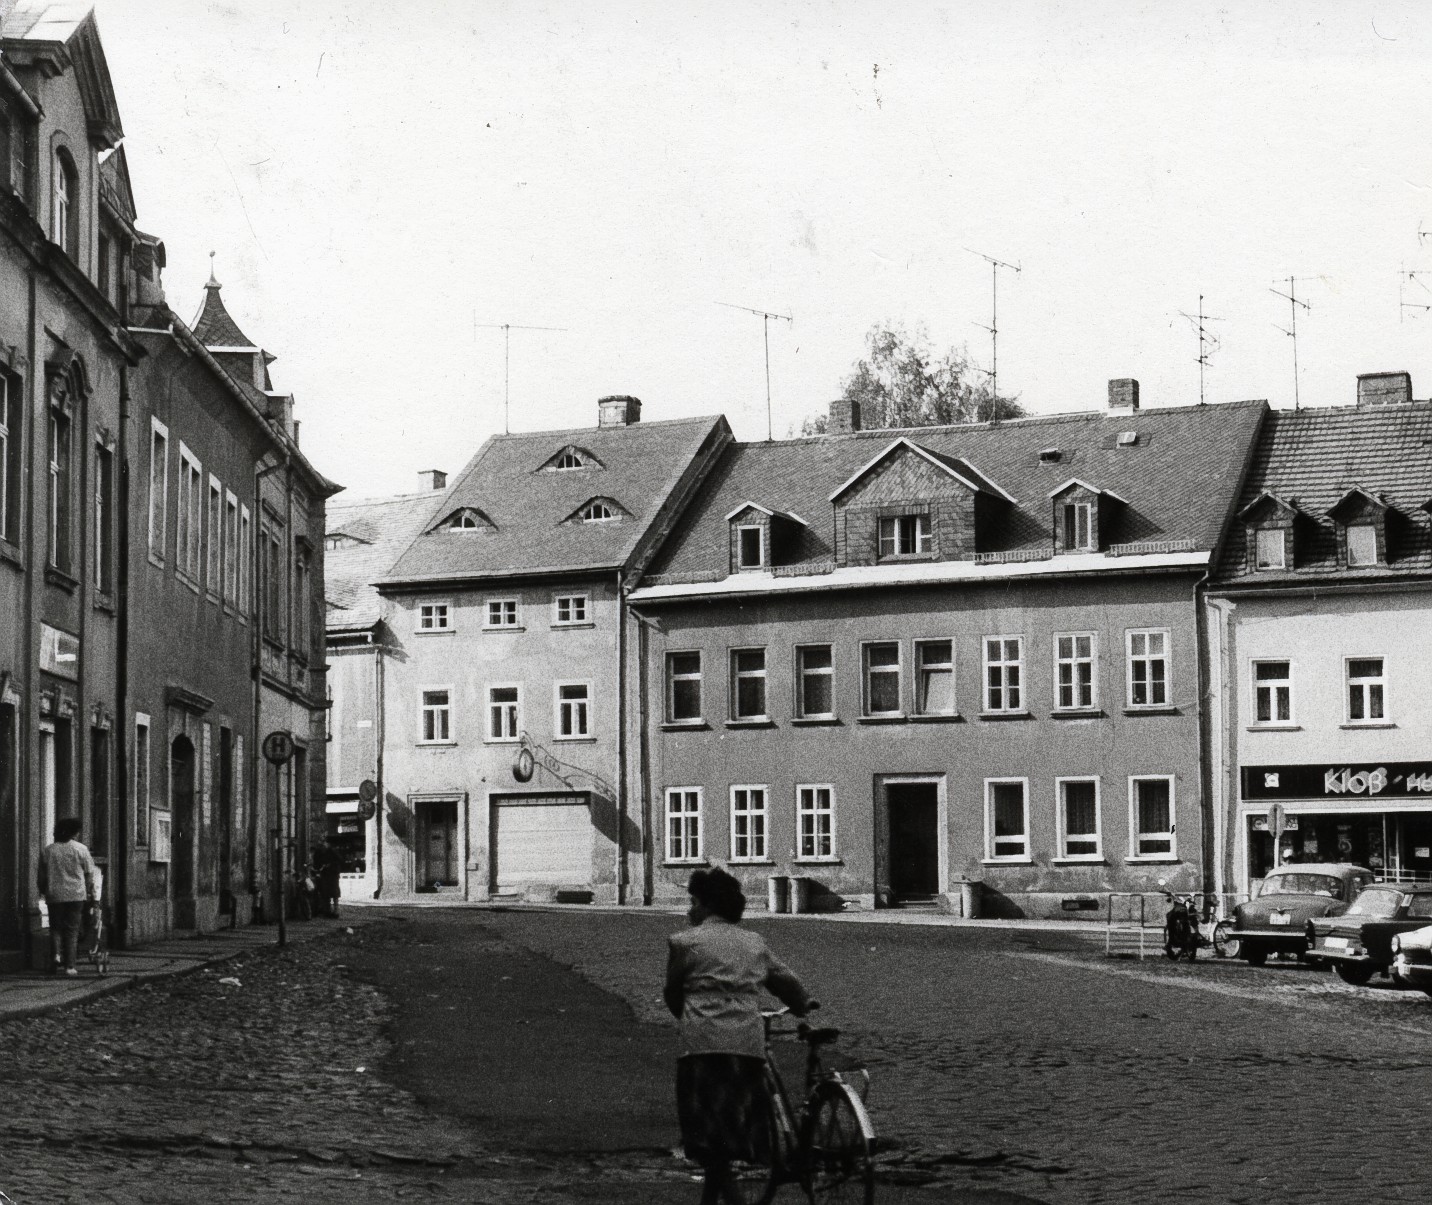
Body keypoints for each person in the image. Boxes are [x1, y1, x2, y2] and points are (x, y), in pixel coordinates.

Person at [664, 868, 813, 1205]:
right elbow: (783, 980)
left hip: (700, 1046)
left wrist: (691, 1019)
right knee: (730, 1133)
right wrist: (801, 1004)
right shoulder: (754, 943)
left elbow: (673, 993)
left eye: (692, 902)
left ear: (704, 905)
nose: (689, 910)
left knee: (709, 1138)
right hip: (746, 1046)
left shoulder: (683, 943)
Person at [37, 818, 98, 976]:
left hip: (54, 894)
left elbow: (42, 877)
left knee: (55, 928)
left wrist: (44, 889)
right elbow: (89, 875)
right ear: (74, 832)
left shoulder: (48, 850)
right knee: (72, 930)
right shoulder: (81, 849)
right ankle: (70, 966)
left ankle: (56, 956)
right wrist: (90, 892)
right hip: (76, 895)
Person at [312, 840, 342, 918]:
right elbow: (316, 862)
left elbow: (339, 860)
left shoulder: (332, 851)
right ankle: (327, 911)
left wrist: (330, 865)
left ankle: (336, 911)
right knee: (325, 893)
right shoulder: (318, 852)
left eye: (323, 845)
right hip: (324, 875)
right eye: (321, 846)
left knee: (335, 893)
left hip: (333, 874)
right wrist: (317, 869)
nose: (322, 847)